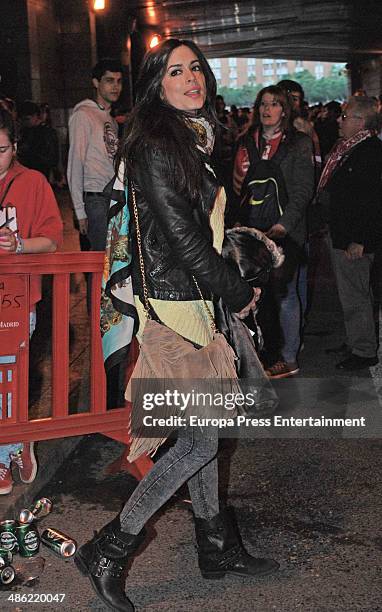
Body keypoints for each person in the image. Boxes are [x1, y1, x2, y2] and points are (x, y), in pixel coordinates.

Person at [74, 38, 278, 612]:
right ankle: (110, 547)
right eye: (174, 71)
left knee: (207, 435)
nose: (190, 78)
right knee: (199, 439)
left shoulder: (196, 138)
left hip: (196, 304)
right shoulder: (158, 143)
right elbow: (184, 241)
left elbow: (202, 231)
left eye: (195, 69)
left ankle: (215, 545)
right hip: (172, 311)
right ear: (156, 83)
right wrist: (238, 293)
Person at [0, 108, 63, 494]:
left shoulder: (33, 182)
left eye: (2, 149)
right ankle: (17, 441)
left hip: (17, 300)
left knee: (9, 378)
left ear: (15, 146)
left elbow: (53, 239)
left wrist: (19, 243)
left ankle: (5, 457)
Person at [233, 86, 315, 378]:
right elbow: (237, 190)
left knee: (286, 294)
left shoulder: (299, 143)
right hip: (253, 231)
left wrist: (283, 227)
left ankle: (289, 355)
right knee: (258, 295)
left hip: (285, 231)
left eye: (275, 104)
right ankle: (264, 354)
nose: (268, 109)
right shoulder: (246, 142)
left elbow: (304, 190)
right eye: (263, 104)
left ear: (285, 110)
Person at [317, 96, 382, 370]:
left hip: (354, 240)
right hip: (342, 233)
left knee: (355, 294)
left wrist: (361, 240)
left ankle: (364, 350)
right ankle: (356, 340)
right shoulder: (349, 147)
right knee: (349, 293)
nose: (339, 121)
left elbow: (372, 201)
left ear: (361, 121)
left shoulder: (370, 151)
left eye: (344, 117)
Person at [67, 59, 123, 252]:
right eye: (109, 80)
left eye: (118, 81)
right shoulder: (83, 115)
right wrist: (79, 211)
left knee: (114, 262)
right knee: (99, 263)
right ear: (96, 83)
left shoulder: (110, 119)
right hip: (95, 199)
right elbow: (75, 163)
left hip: (113, 197)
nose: (115, 86)